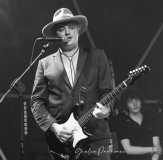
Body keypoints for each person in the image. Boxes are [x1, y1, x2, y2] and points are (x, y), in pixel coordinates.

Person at [30, 8, 113, 160]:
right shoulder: (44, 63)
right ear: (55, 36)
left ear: (79, 30)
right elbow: (36, 102)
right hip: (63, 143)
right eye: (61, 29)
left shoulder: (97, 56)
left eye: (71, 27)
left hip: (95, 139)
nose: (67, 32)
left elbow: (107, 90)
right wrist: (54, 127)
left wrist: (106, 110)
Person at [115, 86, 162, 160]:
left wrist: (154, 158)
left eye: (137, 100)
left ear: (141, 101)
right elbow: (128, 149)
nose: (135, 104)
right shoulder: (122, 122)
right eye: (130, 101)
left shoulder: (150, 119)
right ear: (126, 105)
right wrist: (153, 149)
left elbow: (157, 147)